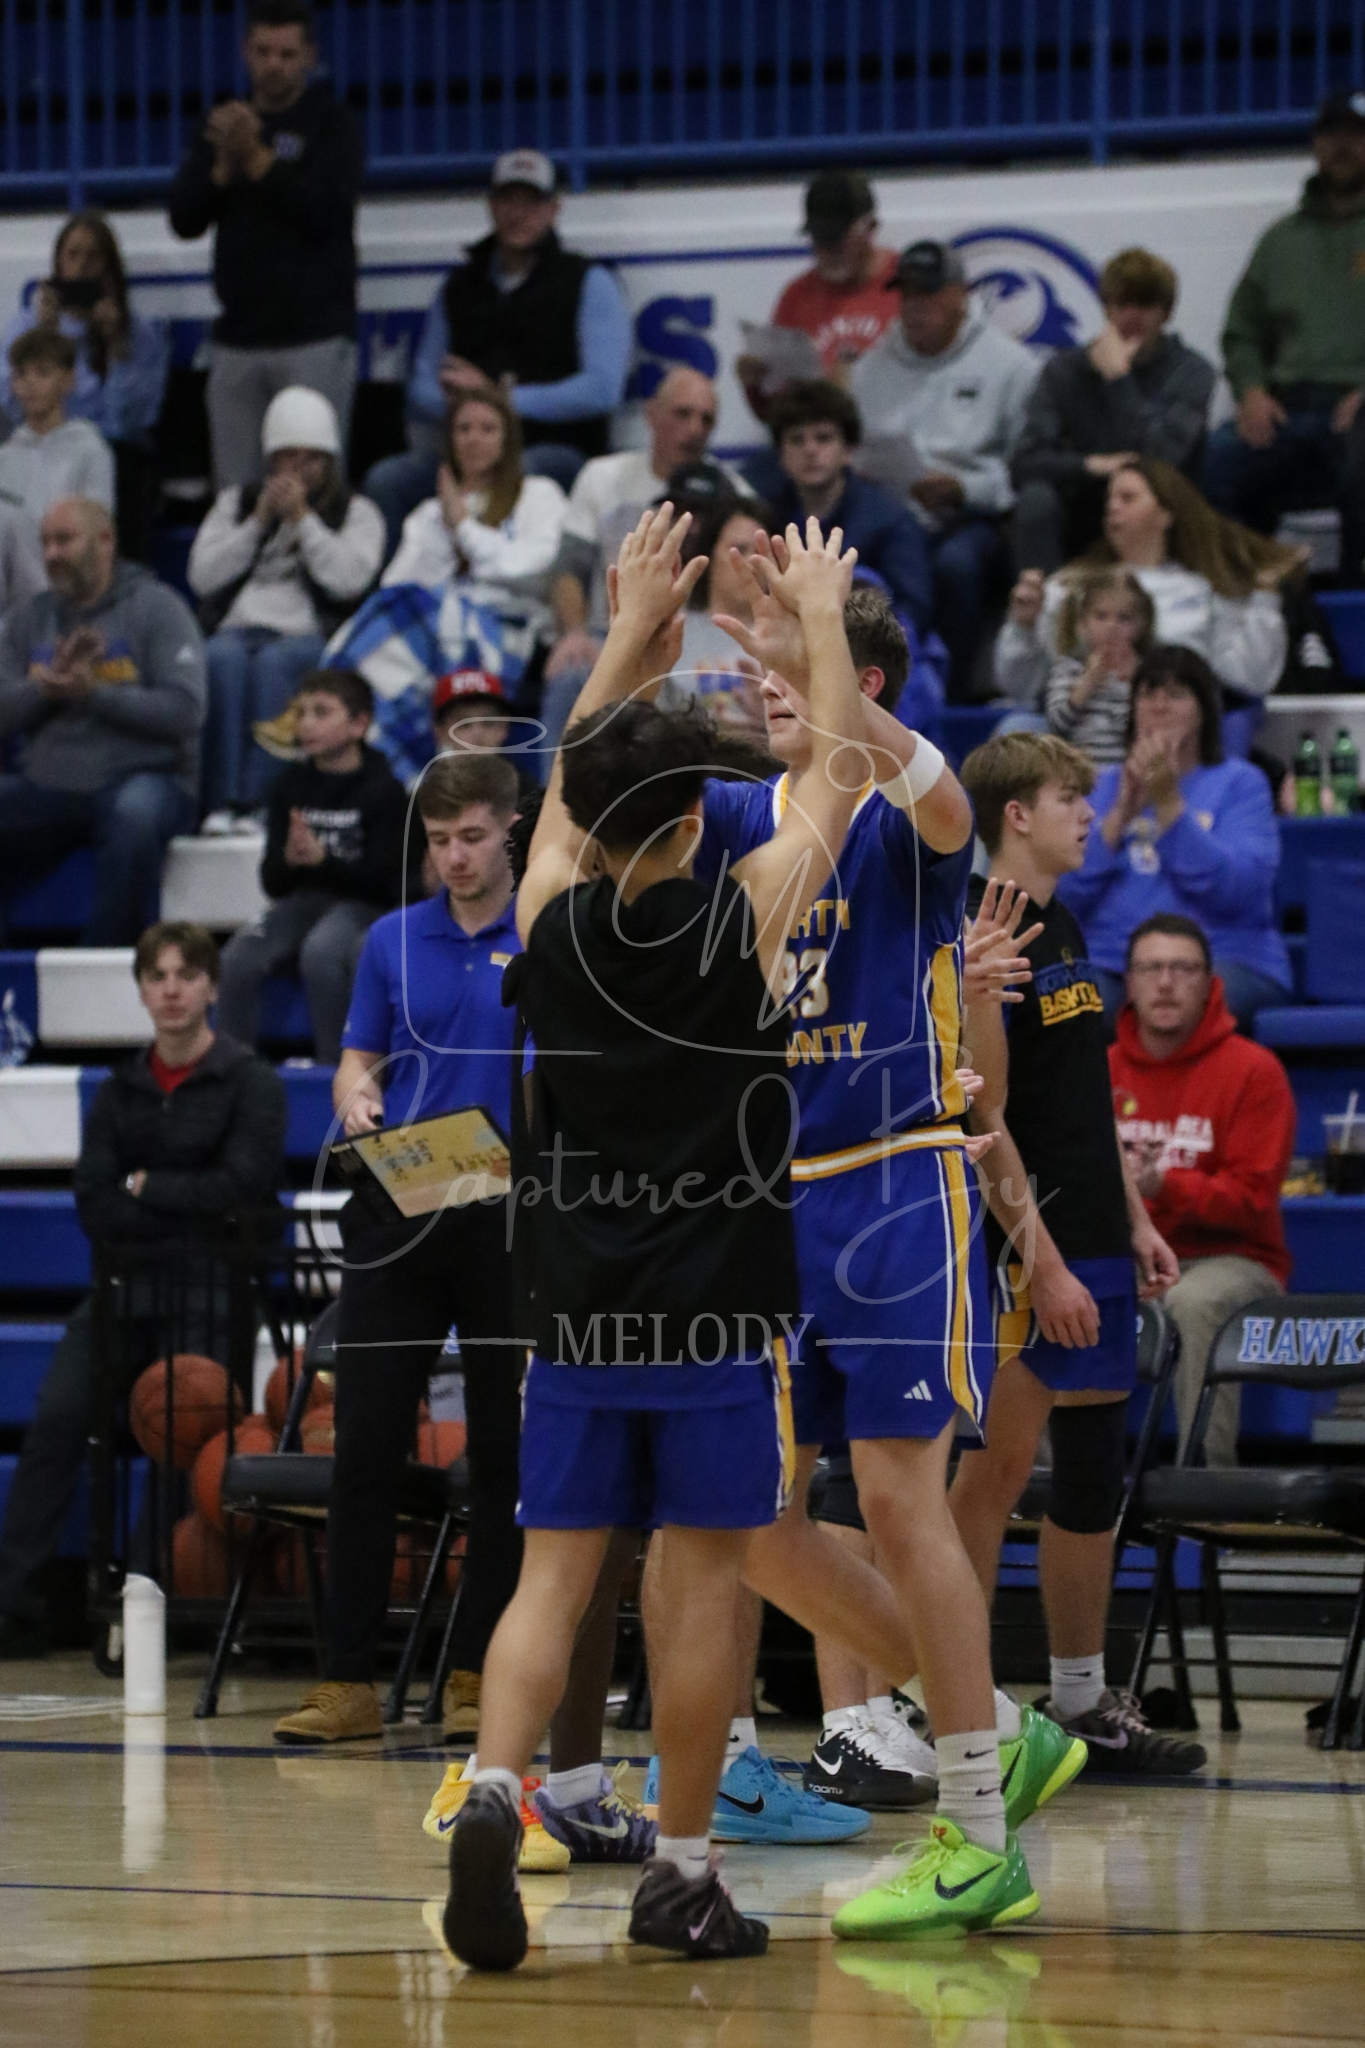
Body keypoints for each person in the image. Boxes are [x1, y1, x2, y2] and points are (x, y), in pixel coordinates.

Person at [440, 507, 878, 1971]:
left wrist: (631, 627)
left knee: (551, 1577)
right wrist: (819, 617)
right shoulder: (741, 919)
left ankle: (492, 1790)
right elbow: (837, 773)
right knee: (699, 1585)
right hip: (713, 1309)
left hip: (574, 1305)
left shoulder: (551, 918)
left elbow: (571, 794)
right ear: (697, 826)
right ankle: (682, 1872)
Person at [674, 542, 1076, 1920]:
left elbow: (949, 802)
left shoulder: (911, 815)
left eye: (799, 660)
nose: (770, 677)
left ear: (861, 679)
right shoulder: (742, 814)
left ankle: (977, 1834)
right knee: (746, 1516)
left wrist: (822, 649)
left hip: (895, 1180)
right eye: (765, 659)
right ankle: (991, 1726)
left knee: (900, 1498)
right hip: (767, 1200)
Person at [950, 730, 1206, 1776]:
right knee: (993, 1472)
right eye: (1070, 798)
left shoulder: (1060, 923)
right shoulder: (982, 933)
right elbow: (984, 1118)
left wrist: (1132, 1217)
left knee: (1093, 1470)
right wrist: (1042, 1257)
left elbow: (1083, 1094)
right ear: (1016, 814)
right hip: (1025, 1237)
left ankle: (1081, 1700)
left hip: (1095, 1228)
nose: (1088, 815)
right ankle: (955, 1703)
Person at [271, 751, 527, 1746]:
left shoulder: (543, 930)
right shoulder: (391, 938)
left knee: (503, 1453)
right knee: (365, 1443)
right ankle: (346, 1681)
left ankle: (474, 1675)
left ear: (510, 830)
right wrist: (354, 1098)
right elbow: (356, 1058)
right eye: (440, 839)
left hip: (508, 1205)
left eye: (472, 837)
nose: (455, 856)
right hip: (405, 1192)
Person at [0, 923, 285, 1659]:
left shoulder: (249, 1080)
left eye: (186, 975)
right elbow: (94, 1201)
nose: (171, 990)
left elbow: (244, 1189)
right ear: (140, 991)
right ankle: (17, 1605)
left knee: (183, 1427)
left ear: (212, 987)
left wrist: (147, 1186)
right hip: (123, 1283)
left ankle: (141, 1604)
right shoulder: (120, 1089)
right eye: (157, 976)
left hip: (213, 1287)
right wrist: (176, 1198)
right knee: (57, 1420)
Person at [363, 147, 631, 548]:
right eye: (508, 200)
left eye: (531, 202)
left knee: (525, 470)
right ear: (490, 206)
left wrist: (497, 398)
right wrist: (469, 406)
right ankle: (399, 584)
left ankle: (508, 578)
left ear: (553, 209)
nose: (517, 213)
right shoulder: (459, 286)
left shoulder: (588, 281)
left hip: (555, 447)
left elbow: (601, 389)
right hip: (467, 452)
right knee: (388, 480)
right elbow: (421, 386)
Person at [1111, 913, 1296, 1466]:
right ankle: (1047, 1485)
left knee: (1194, 1302)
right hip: (1128, 1257)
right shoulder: (1100, 1071)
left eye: (1183, 969)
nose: (1166, 983)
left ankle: (1205, 1485)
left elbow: (1252, 1201)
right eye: (1151, 969)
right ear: (1129, 983)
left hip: (1231, 1258)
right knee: (1051, 1290)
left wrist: (1162, 1184)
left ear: (1211, 983)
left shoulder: (1254, 1071)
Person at [167, 0, 363, 488]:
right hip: (238, 339)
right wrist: (221, 170)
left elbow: (329, 212)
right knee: (236, 496)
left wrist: (257, 160)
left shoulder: (332, 124)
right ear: (245, 52)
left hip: (314, 336)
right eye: (263, 52)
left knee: (314, 489)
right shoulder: (222, 126)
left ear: (310, 56)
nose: (274, 64)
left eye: (286, 54)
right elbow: (184, 219)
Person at [0, 498, 206, 945]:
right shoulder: (30, 618)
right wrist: (44, 690)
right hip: (50, 785)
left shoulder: (158, 607)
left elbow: (185, 710)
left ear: (106, 541)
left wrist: (96, 695)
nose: (52, 554)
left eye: (64, 540)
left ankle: (101, 963)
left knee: (135, 815)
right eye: (45, 543)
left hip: (143, 777)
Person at [1058, 644, 1292, 1029]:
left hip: (1222, 955)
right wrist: (1120, 816)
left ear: (1204, 711)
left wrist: (1168, 804)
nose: (1159, 706)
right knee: (1062, 1010)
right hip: (1112, 960)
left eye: (1176, 694)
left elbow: (1239, 892)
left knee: (1185, 1003)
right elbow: (1065, 895)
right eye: (1148, 694)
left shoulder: (1241, 783)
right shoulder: (1102, 786)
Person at [850, 240, 1038, 698]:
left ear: (960, 295)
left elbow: (1027, 471)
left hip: (971, 517)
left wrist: (965, 488)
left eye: (929, 294)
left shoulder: (1012, 366)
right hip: (890, 511)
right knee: (843, 558)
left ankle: (950, 698)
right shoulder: (869, 370)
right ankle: (859, 692)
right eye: (907, 294)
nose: (916, 306)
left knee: (957, 566)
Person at [190, 385, 383, 816]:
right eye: (288, 457)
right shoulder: (237, 503)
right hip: (239, 627)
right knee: (220, 659)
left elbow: (348, 581)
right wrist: (257, 522)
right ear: (271, 460)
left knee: (275, 665)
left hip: (310, 632)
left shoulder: (357, 511)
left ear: (328, 461)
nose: (299, 469)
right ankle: (219, 806)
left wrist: (303, 520)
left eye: (311, 458)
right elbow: (202, 577)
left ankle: (262, 805)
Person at [541, 368, 749, 750]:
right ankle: (555, 788)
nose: (695, 428)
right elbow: (569, 568)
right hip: (609, 632)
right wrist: (574, 632)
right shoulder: (603, 477)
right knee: (572, 672)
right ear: (651, 414)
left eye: (706, 419)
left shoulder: (736, 493)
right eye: (683, 413)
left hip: (696, 631)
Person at [1205, 92, 1365, 583]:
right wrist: (1252, 390)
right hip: (1287, 410)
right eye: (1332, 135)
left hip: (1357, 410)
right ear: (1315, 145)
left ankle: (1354, 593)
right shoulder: (1279, 242)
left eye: (1356, 135)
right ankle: (1246, 591)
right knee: (1215, 461)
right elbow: (1242, 333)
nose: (1343, 146)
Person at [215, 671, 409, 1064]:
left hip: (364, 906)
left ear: (359, 724)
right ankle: (231, 1073)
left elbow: (387, 884)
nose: (306, 724)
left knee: (323, 951)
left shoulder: (386, 790)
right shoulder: (289, 786)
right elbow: (274, 884)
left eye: (321, 712)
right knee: (237, 957)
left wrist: (324, 862)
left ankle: (338, 1070)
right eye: (301, 713)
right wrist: (289, 860)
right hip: (304, 902)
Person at [995, 459, 1297, 710]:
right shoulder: (1068, 584)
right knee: (1015, 728)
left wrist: (1265, 597)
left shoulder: (1203, 589)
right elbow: (1019, 686)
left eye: (1127, 498)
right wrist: (1022, 627)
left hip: (1168, 724)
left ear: (1166, 514)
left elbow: (1253, 678)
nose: (1112, 507)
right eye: (1109, 499)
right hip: (1080, 726)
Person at [1012, 249, 1216, 573]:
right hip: (1084, 505)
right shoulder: (1065, 371)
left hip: (1160, 510)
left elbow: (1163, 459)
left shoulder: (1192, 372)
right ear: (1106, 308)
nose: (1132, 317)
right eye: (1122, 304)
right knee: (1036, 500)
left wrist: (1118, 380)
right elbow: (1024, 462)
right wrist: (1089, 466)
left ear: (1166, 313)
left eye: (1145, 305)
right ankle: (1042, 598)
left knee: (1150, 500)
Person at [0, 211, 170, 562]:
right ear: (58, 262)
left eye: (93, 257)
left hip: (113, 451)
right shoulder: (28, 325)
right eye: (72, 255)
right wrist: (45, 338)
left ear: (109, 268)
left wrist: (116, 348)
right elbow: (10, 406)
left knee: (125, 463)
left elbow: (135, 421)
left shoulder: (137, 332)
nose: (80, 268)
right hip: (40, 442)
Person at [735, 169, 899, 437]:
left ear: (869, 228)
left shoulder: (907, 285)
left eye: (837, 238)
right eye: (819, 238)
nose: (827, 249)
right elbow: (780, 416)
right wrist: (755, 387)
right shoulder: (797, 296)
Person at [764, 380, 933, 631]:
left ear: (848, 450)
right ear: (781, 455)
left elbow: (913, 612)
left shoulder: (890, 520)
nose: (810, 450)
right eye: (797, 440)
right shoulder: (764, 516)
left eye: (824, 438)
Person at [996, 567, 1156, 765]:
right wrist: (1088, 682)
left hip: (1128, 771)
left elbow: (1145, 729)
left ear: (1140, 625)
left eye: (1124, 618)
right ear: (1082, 622)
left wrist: (1133, 684)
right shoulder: (1068, 667)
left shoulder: (1146, 671)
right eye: (1101, 616)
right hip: (1079, 771)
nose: (1112, 626)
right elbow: (1058, 723)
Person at [0, 329, 114, 526]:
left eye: (42, 373)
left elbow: (98, 527)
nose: (30, 383)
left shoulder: (89, 451)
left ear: (68, 380)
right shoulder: (6, 456)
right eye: (21, 373)